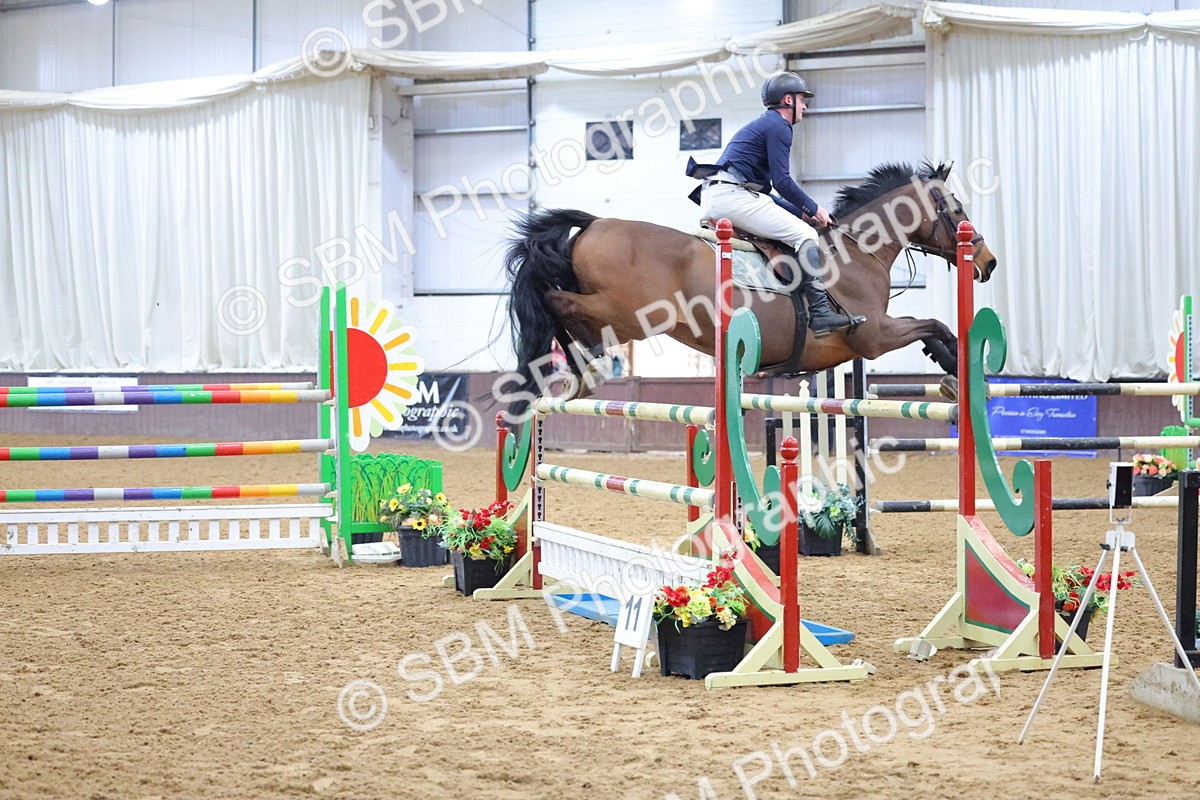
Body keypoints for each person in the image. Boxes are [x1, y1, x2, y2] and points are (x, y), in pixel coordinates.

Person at [688, 72, 865, 337]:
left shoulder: (767, 124)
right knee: (805, 235)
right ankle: (820, 313)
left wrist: (801, 212)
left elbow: (768, 195)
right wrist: (814, 209)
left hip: (728, 193)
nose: (805, 106)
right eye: (802, 100)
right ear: (787, 99)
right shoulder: (780, 126)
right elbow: (782, 181)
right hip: (730, 196)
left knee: (801, 225)